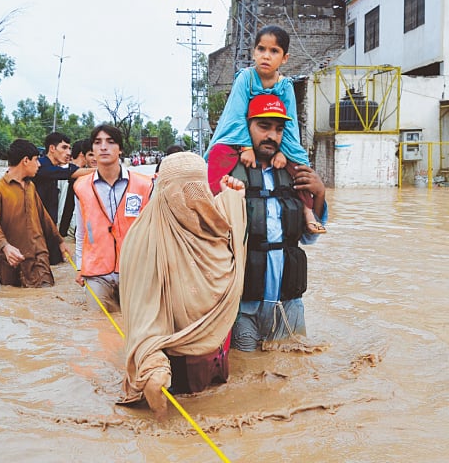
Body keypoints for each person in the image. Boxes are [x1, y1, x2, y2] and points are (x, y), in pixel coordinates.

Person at [118, 152, 247, 421]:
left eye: (198, 189)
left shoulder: (216, 228)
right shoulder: (145, 243)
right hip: (177, 377)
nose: (194, 200)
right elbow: (144, 319)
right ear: (164, 192)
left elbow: (233, 224)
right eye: (183, 191)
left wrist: (233, 195)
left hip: (219, 361)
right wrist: (154, 371)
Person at [208, 94, 327, 352]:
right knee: (247, 376)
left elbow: (310, 236)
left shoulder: (295, 174)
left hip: (289, 304)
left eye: (278, 129)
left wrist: (320, 194)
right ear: (246, 127)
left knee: (295, 376)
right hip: (243, 307)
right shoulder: (228, 174)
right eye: (264, 127)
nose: (272, 135)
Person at [205, 25, 325, 234]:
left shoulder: (285, 85)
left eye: (274, 51)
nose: (266, 56)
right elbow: (236, 116)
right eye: (261, 49)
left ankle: (307, 210)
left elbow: (289, 127)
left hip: (276, 143)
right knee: (217, 154)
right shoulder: (245, 78)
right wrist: (244, 147)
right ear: (254, 52)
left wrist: (282, 153)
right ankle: (214, 207)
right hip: (238, 137)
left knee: (299, 165)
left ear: (285, 58)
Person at [73, 124, 153, 312]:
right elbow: (82, 232)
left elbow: (153, 232)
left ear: (121, 149)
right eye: (97, 142)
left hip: (134, 271)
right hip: (96, 272)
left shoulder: (144, 185)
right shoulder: (81, 187)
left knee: (134, 325)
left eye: (110, 142)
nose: (103, 147)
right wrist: (80, 266)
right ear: (91, 150)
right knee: (100, 329)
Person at [0, 139, 70, 288]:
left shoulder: (31, 187)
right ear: (25, 160)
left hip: (38, 257)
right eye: (36, 160)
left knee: (44, 296)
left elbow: (44, 218)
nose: (39, 164)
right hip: (10, 260)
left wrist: (60, 241)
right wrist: (5, 246)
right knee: (12, 300)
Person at [32, 132, 96, 264]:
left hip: (51, 231)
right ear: (52, 149)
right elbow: (71, 172)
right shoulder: (40, 166)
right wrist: (105, 170)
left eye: (69, 148)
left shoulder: (56, 168)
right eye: (64, 148)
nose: (68, 152)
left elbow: (72, 171)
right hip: (36, 232)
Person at [58, 139, 94, 238]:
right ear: (84, 155)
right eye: (91, 155)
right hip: (73, 231)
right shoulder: (67, 174)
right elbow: (66, 207)